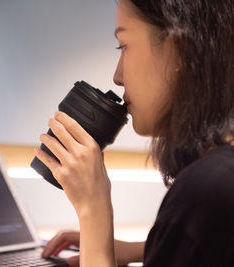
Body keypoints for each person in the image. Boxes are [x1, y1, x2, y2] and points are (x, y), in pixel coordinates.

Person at [35, 0, 234, 266]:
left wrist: (93, 213)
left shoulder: (206, 190)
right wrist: (152, 246)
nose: (117, 76)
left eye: (124, 46)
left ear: (181, 52)